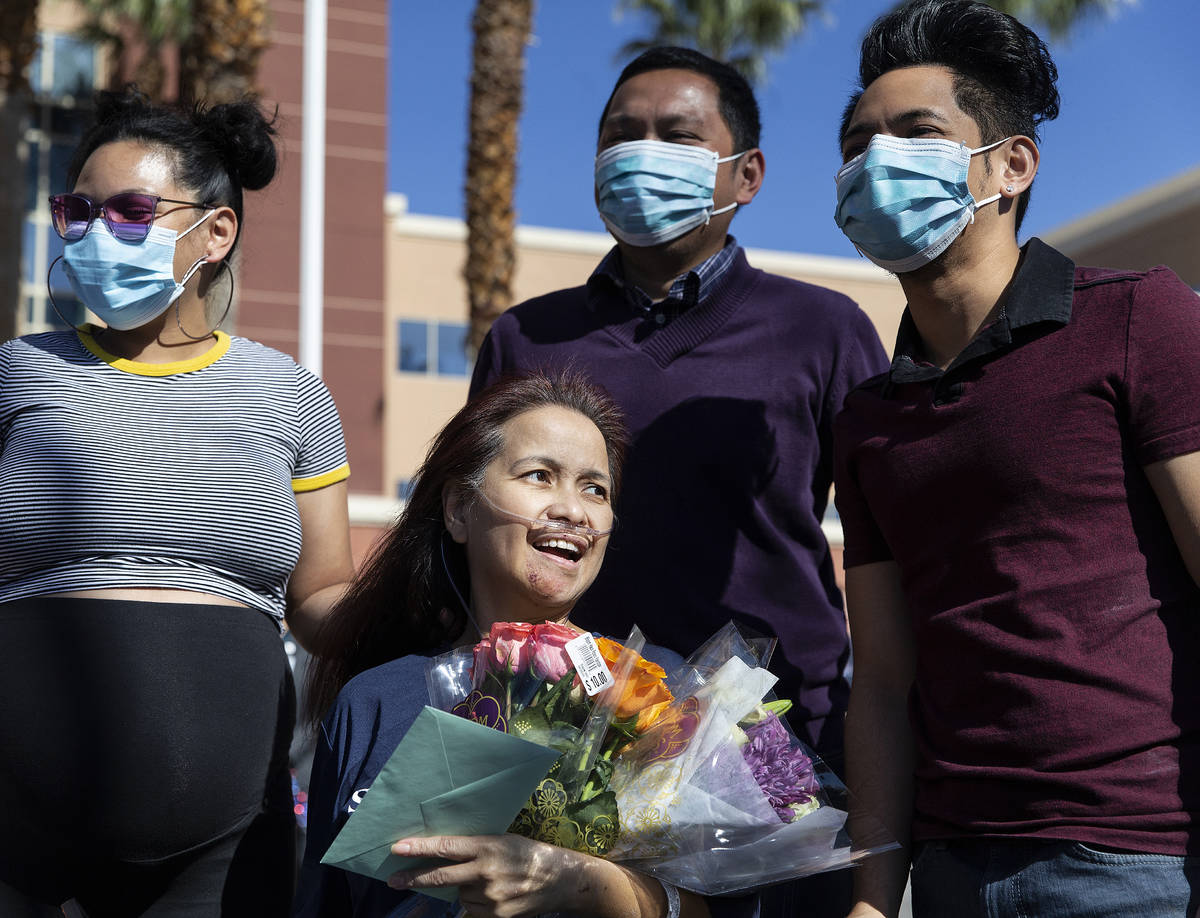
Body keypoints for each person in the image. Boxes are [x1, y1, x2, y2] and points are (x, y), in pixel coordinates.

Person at [470, 47, 888, 917]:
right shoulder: (524, 339)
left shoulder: (825, 330)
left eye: (676, 135)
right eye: (621, 135)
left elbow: (893, 551)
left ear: (747, 173)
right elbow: (469, 551)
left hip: (783, 742)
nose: (641, 152)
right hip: (567, 750)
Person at [831, 2, 1200, 916]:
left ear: (1012, 164)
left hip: (1136, 866)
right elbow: (881, 681)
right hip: (951, 873)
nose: (878, 162)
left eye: (916, 132)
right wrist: (876, 897)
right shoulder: (869, 419)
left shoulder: (1138, 317)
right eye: (857, 142)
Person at [0, 89, 355, 916]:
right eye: (77, 211)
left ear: (216, 231)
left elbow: (321, 597)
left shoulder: (291, 395)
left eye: (130, 211)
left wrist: (439, 619)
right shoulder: (15, 371)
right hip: (14, 826)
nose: (94, 234)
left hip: (224, 848)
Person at [295, 371, 747, 918]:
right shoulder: (374, 701)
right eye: (540, 476)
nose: (574, 511)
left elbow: (726, 904)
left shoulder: (664, 691)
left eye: (595, 490)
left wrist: (585, 886)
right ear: (460, 509)